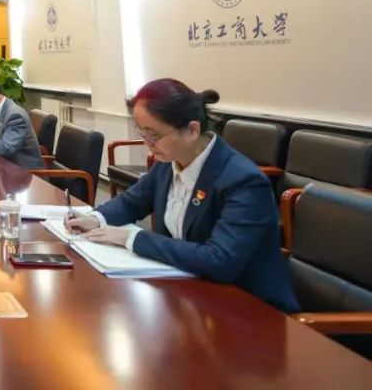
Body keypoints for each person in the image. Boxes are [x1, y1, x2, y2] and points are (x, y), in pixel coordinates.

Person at [65, 78, 298, 312]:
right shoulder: (170, 161)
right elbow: (132, 202)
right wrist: (94, 219)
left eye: (154, 136)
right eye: (142, 133)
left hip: (248, 309)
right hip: (190, 294)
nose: (148, 144)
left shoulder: (243, 182)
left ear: (192, 130)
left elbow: (219, 260)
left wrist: (132, 238)